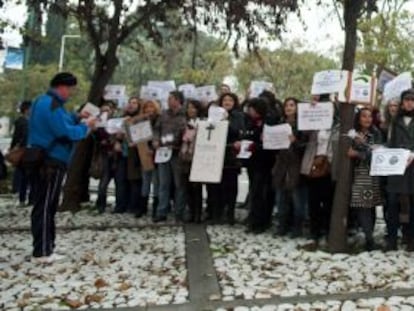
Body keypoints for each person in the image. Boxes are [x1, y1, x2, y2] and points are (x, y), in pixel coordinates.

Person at [27, 72, 96, 263]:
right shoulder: (52, 104)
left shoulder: (42, 101)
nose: (71, 93)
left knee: (44, 204)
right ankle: (42, 250)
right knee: (47, 206)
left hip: (43, 159)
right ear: (62, 87)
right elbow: (64, 131)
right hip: (51, 161)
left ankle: (46, 247)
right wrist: (86, 126)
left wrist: (76, 117)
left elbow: (61, 122)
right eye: (71, 89)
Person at [301, 95, 335, 242]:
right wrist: (310, 109)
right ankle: (314, 231)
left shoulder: (338, 125)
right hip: (314, 164)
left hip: (330, 166)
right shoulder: (313, 124)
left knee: (328, 201)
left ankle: (327, 230)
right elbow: (303, 133)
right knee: (313, 200)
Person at [348, 108, 383, 251]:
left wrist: (358, 152)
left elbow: (377, 153)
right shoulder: (352, 133)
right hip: (357, 174)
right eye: (364, 116)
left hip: (372, 173)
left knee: (370, 205)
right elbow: (346, 152)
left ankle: (370, 237)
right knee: (362, 206)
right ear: (359, 118)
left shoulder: (376, 133)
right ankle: (368, 237)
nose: (367, 119)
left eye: (370, 116)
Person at [207, 93, 245, 225]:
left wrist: (226, 121)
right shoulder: (213, 115)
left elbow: (239, 132)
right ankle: (217, 213)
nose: (227, 102)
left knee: (232, 185)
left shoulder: (238, 116)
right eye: (225, 100)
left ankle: (230, 213)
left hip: (231, 155)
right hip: (217, 153)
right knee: (216, 186)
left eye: (230, 100)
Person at [273, 98, 308, 237]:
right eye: (286, 105)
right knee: (281, 199)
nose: (289, 107)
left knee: (297, 200)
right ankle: (282, 226)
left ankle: (297, 228)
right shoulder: (279, 124)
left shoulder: (303, 126)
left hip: (297, 166)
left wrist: (296, 141)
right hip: (281, 165)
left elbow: (306, 146)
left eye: (292, 105)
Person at [245, 97, 278, 233]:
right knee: (254, 191)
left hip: (265, 161)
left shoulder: (269, 121)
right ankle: (254, 220)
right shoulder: (250, 122)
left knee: (262, 192)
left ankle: (262, 222)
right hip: (252, 161)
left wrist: (257, 144)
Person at [386, 89, 414, 251]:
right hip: (396, 167)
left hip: (413, 167)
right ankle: (391, 239)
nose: (410, 102)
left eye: (412, 99)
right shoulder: (394, 121)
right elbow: (391, 143)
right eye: (407, 99)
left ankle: (411, 239)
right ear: (402, 102)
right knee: (392, 203)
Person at [153, 91, 187, 223]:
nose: (168, 101)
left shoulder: (185, 115)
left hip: (178, 154)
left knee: (179, 184)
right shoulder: (163, 114)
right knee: (163, 184)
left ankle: (179, 212)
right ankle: (161, 212)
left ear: (178, 100)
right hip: (162, 152)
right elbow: (156, 129)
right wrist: (156, 140)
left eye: (171, 98)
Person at [112, 97, 143, 215]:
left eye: (134, 103)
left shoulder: (140, 118)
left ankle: (133, 206)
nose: (131, 105)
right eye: (129, 102)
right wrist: (117, 140)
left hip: (134, 155)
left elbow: (143, 136)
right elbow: (113, 133)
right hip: (121, 154)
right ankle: (120, 205)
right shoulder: (120, 118)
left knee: (134, 181)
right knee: (120, 180)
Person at [179, 99, 203, 223]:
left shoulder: (202, 123)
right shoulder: (184, 123)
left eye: (193, 108)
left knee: (196, 187)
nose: (191, 110)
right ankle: (191, 211)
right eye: (189, 108)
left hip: (197, 157)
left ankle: (198, 213)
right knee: (187, 186)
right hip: (184, 157)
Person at [137, 99, 161, 219]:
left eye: (151, 107)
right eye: (147, 107)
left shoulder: (160, 119)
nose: (149, 109)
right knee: (145, 180)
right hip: (145, 152)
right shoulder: (141, 120)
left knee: (156, 181)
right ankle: (142, 207)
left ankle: (156, 207)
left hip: (157, 153)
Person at [94, 101, 117, 214]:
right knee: (104, 181)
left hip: (117, 155)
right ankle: (100, 204)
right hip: (104, 154)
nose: (105, 113)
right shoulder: (98, 124)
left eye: (107, 110)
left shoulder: (117, 122)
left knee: (120, 181)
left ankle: (120, 204)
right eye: (103, 111)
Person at [10, 100, 32, 206]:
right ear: (27, 109)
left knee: (27, 175)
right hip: (25, 151)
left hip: (29, 151)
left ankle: (26, 198)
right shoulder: (22, 121)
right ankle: (23, 198)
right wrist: (13, 147)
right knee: (25, 175)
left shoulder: (28, 121)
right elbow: (17, 136)